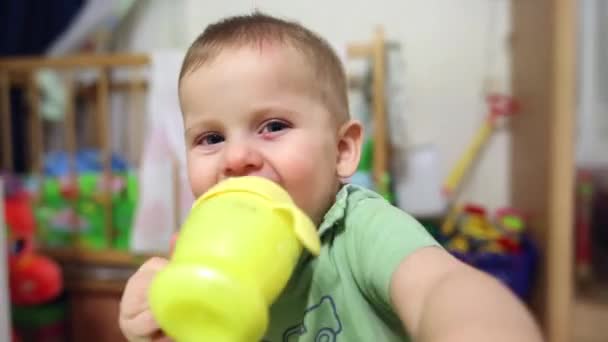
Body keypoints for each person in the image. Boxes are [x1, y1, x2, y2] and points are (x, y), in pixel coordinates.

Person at [118, 12, 543, 342]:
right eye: (211, 137)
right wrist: (166, 323)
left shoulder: (358, 228)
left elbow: (440, 285)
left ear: (341, 151)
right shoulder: (199, 252)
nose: (237, 157)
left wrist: (476, 327)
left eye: (273, 126)